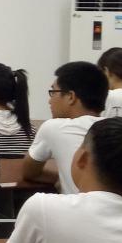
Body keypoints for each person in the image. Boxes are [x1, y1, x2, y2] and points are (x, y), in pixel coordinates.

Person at [22, 61, 107, 195]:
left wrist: (61, 178)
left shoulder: (54, 127)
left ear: (71, 97)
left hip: (84, 208)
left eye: (53, 92)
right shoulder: (119, 129)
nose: (49, 101)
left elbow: (29, 172)